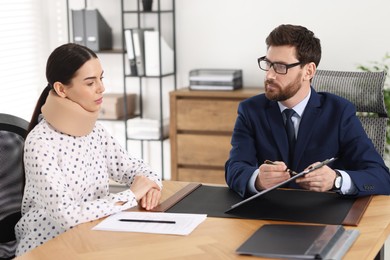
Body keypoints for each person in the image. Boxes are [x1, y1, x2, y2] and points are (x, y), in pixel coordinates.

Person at [15, 43, 162, 256]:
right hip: (48, 248)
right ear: (61, 89)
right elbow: (68, 216)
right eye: (90, 82)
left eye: (101, 78)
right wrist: (131, 195)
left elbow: (134, 168)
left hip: (91, 238)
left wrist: (152, 186)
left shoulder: (95, 132)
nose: (101, 88)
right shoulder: (40, 142)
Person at [225, 24, 390, 199]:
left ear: (308, 71)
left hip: (324, 215)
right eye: (268, 64)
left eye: (281, 67)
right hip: (266, 212)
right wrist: (257, 179)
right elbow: (235, 168)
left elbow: (381, 176)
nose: (269, 75)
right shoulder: (250, 110)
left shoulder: (340, 112)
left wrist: (336, 179)